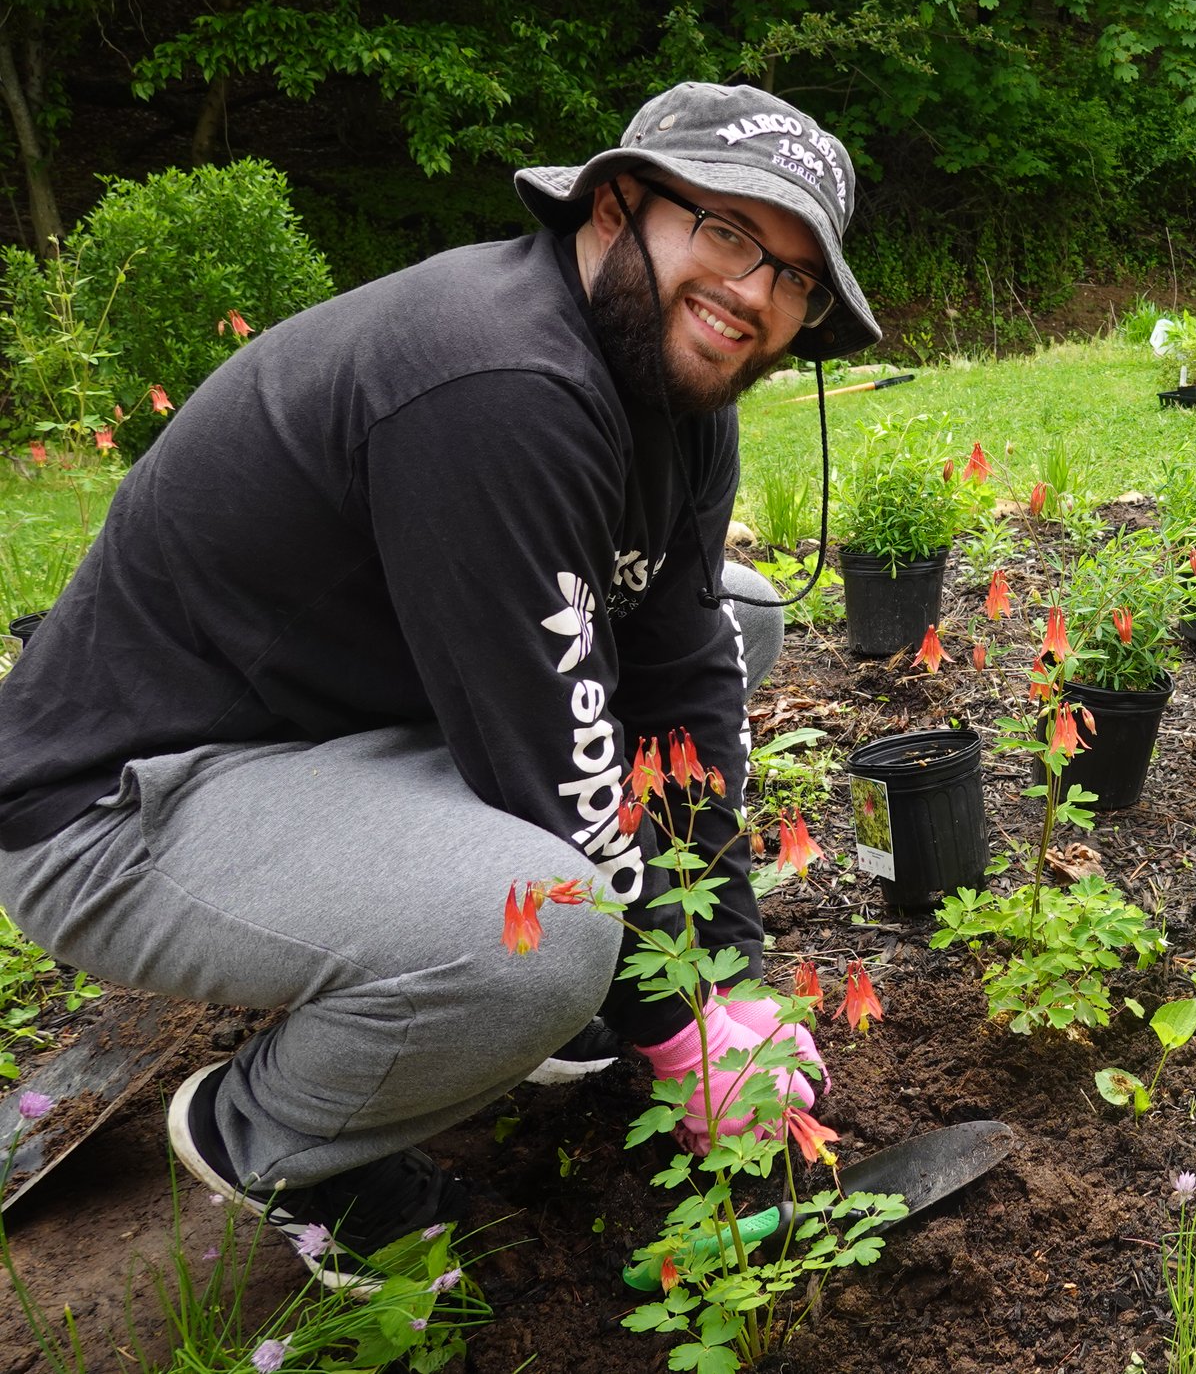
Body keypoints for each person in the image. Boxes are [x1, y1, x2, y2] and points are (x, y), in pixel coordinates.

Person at [0, 81, 881, 1283]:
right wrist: (678, 1039)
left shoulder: (678, 391)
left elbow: (681, 686)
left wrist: (724, 974)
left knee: (738, 621)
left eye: (793, 275)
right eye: (726, 231)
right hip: (125, 799)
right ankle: (278, 1140)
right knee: (545, 928)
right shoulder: (496, 380)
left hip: (333, 730)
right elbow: (556, 760)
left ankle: (517, 1001)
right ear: (617, 203)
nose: (754, 294)